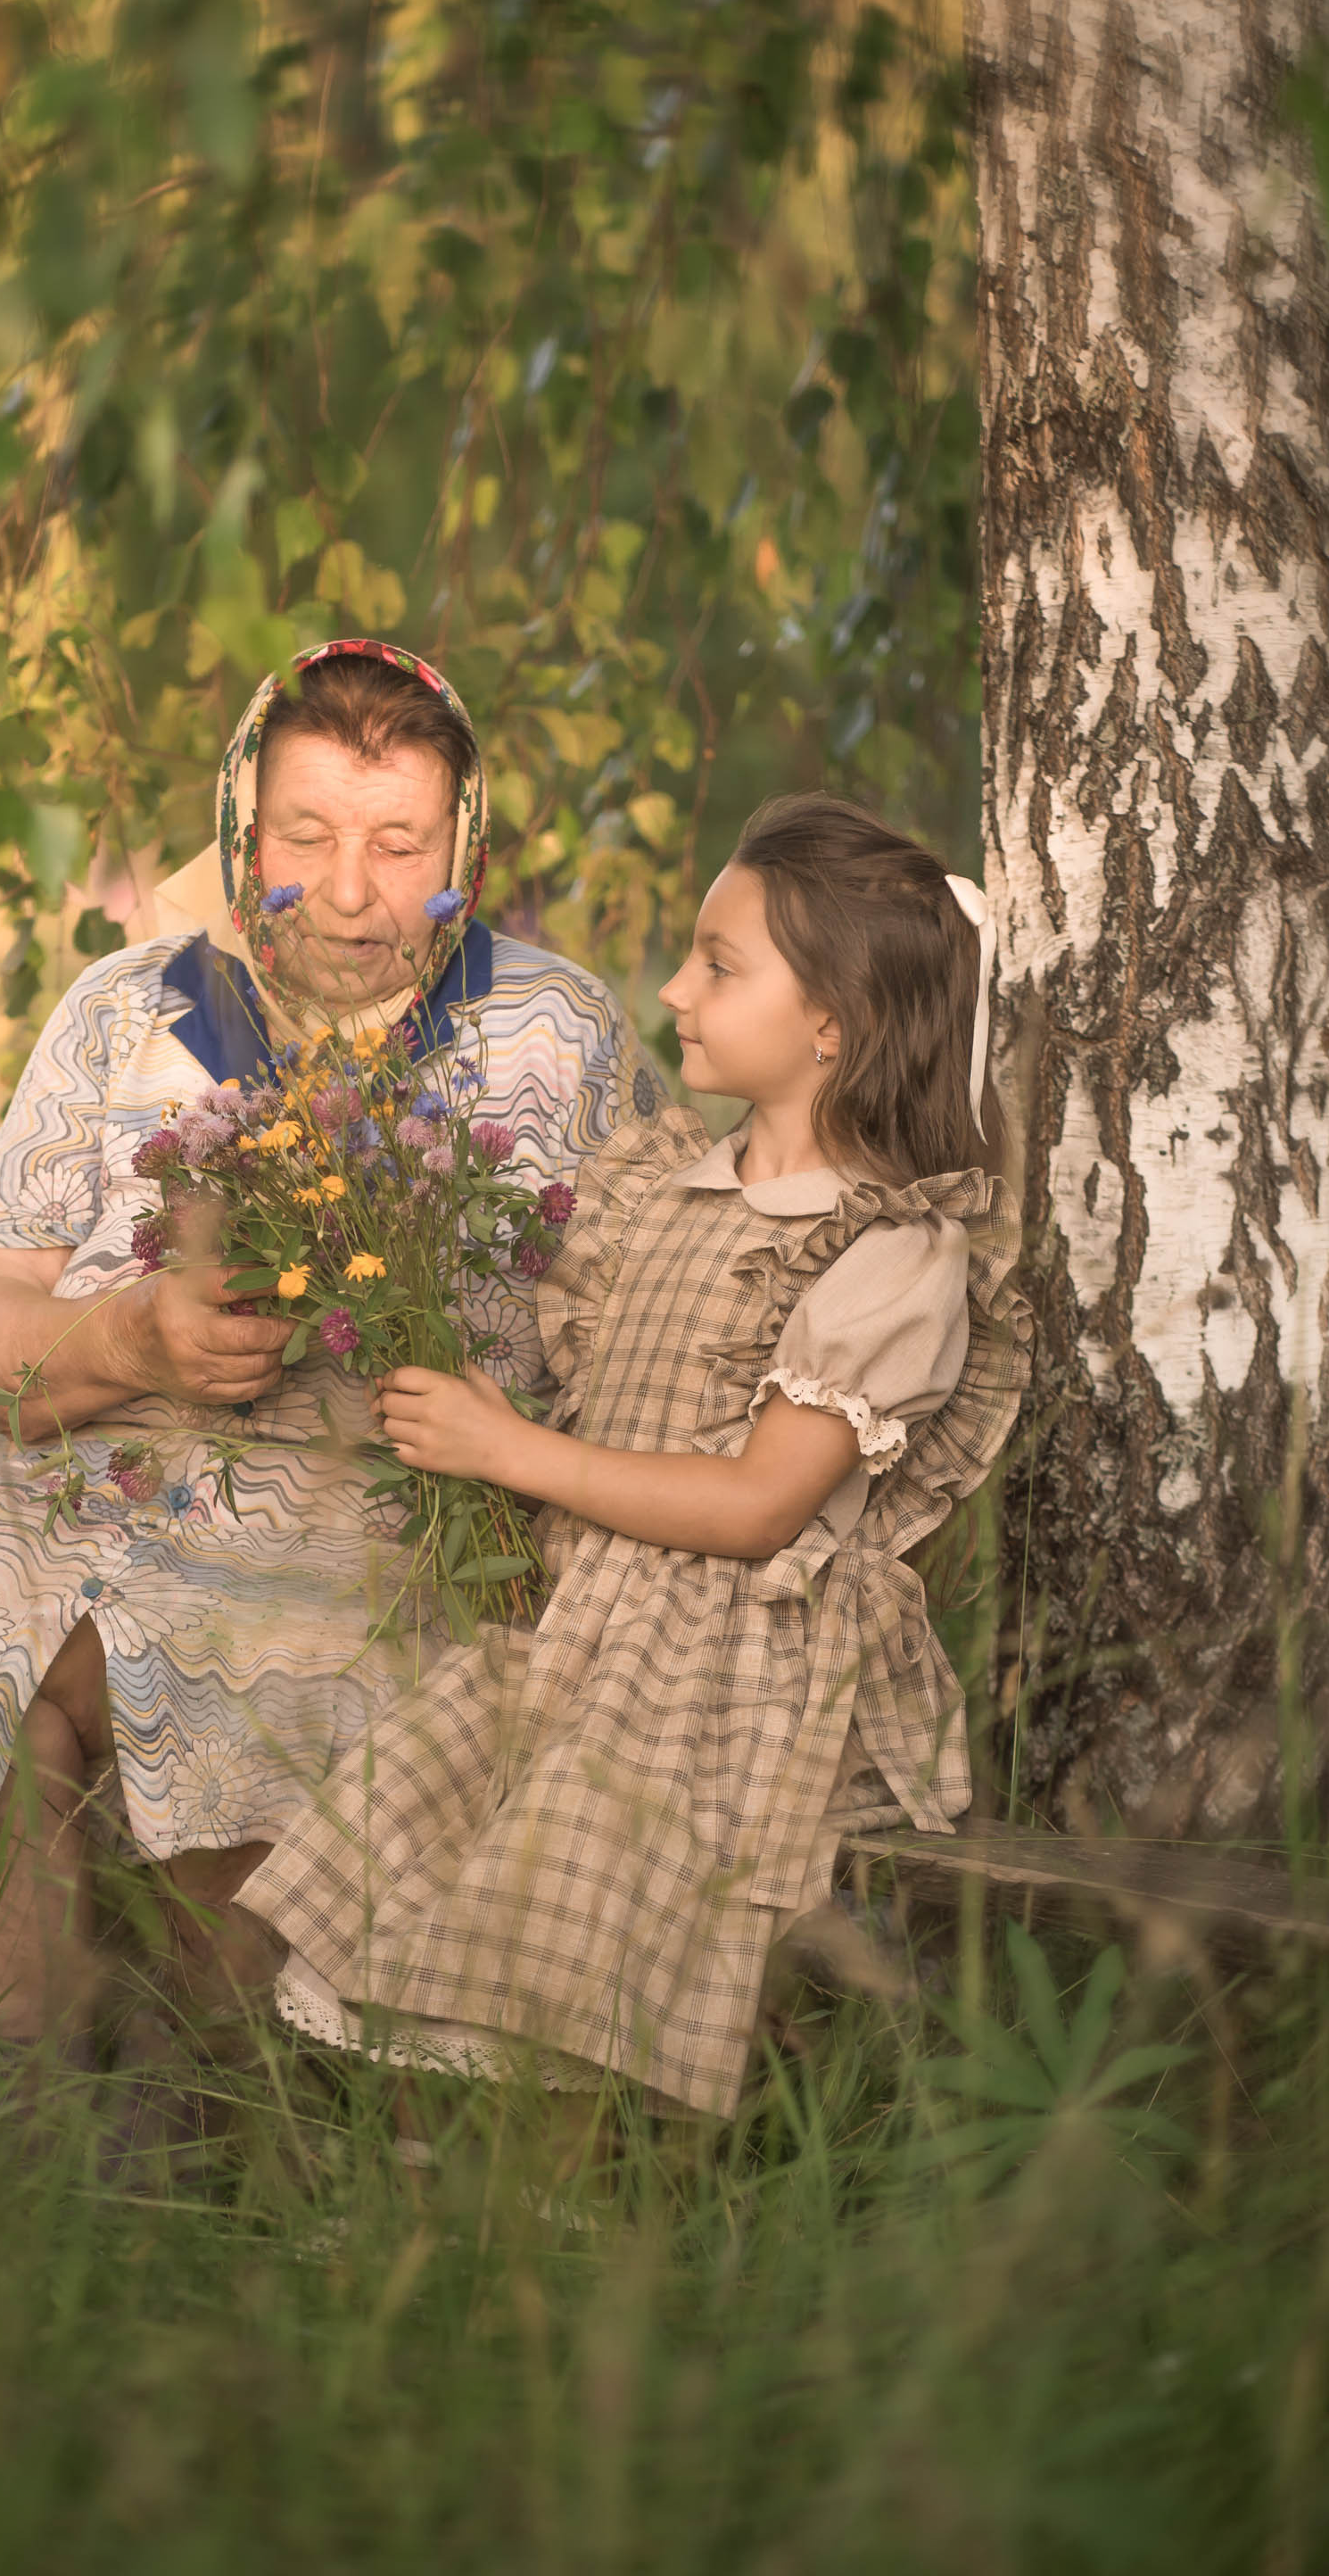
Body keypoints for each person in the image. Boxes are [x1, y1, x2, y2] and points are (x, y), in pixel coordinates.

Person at [0, 637, 664, 2051]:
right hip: (93, 1492)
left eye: (397, 844)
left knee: (262, 1637)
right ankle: (29, 2091)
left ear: (466, 842)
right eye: (305, 835)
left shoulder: (553, 1034)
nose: (345, 890)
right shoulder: (124, 1015)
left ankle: (213, 2088)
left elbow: (649, 1347)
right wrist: (132, 1338)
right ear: (239, 827)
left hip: (390, 1518)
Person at [242, 794, 1031, 2120]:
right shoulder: (661, 1183)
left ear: (830, 1026)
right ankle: (445, 2173)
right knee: (408, 1829)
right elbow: (611, 1400)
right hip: (592, 1624)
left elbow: (759, 1508)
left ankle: (587, 2197)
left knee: (572, 1866)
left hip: (732, 1661)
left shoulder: (887, 1249)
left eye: (720, 966)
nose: (674, 987)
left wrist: (509, 1452)